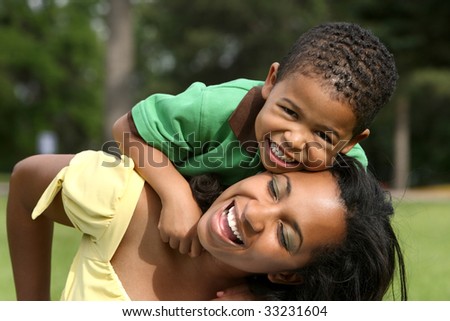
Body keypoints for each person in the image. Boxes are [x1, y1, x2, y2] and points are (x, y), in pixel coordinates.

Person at [112, 22, 398, 257]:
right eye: (289, 111)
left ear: (349, 143)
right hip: (167, 206)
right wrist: (175, 195)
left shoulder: (347, 177)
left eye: (323, 136)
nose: (295, 140)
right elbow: (126, 128)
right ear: (271, 81)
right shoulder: (215, 108)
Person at [7, 150, 407, 300]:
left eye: (284, 234)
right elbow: (26, 183)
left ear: (287, 275)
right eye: (274, 188)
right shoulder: (124, 196)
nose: (254, 214)